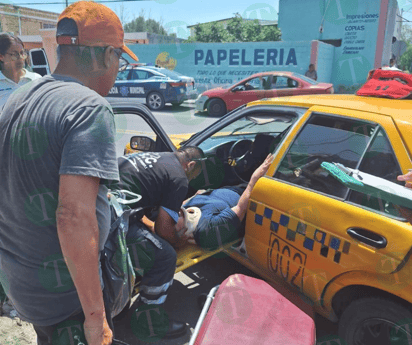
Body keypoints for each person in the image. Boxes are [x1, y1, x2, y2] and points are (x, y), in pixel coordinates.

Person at [0, 2, 139, 345]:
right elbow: (74, 216)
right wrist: (95, 319)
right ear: (107, 55)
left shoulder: (19, 98)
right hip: (67, 300)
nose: (118, 68)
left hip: (25, 286)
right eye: (120, 59)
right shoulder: (89, 108)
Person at [109, 147, 204, 338]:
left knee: (142, 246)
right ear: (190, 165)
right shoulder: (179, 178)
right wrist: (177, 241)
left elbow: (139, 206)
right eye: (194, 175)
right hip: (111, 219)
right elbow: (164, 228)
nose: (191, 180)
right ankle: (148, 324)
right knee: (165, 257)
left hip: (101, 204)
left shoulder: (160, 158)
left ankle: (117, 308)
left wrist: (153, 227)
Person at [175, 154, 274, 249]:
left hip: (222, 191)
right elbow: (240, 209)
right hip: (243, 195)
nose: (173, 214)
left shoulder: (181, 211)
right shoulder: (206, 229)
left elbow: (184, 203)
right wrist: (255, 178)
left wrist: (196, 196)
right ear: (182, 232)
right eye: (173, 221)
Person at [0, 33, 42, 108]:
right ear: (1, 57)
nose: (20, 58)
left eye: (22, 53)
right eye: (14, 54)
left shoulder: (36, 79)